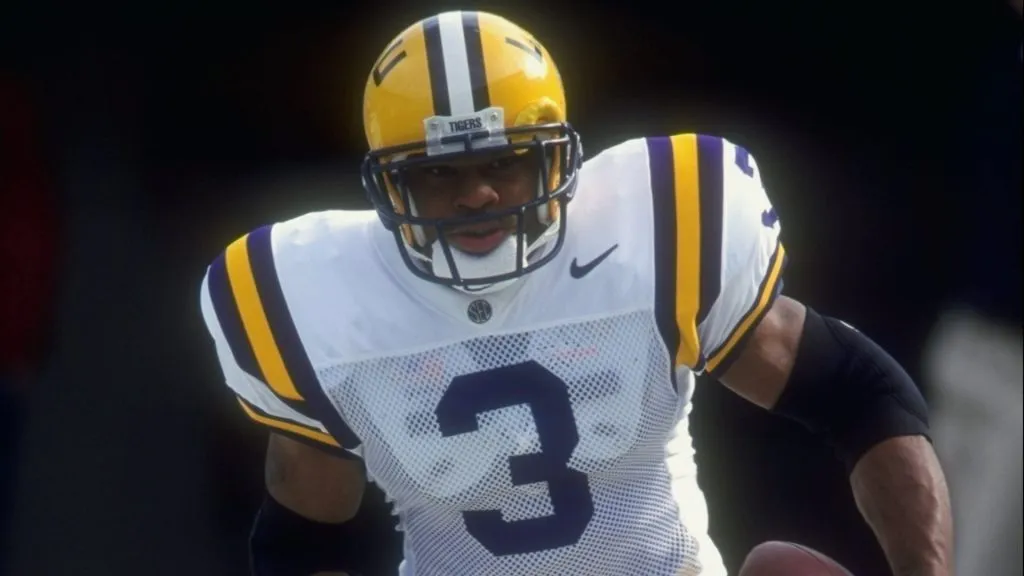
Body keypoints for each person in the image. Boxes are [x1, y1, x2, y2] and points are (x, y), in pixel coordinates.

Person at [199, 11, 953, 576]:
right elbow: (305, 535)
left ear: (558, 158)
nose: (479, 195)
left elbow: (859, 396)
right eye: (438, 173)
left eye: (507, 161)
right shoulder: (315, 299)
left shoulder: (661, 228)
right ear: (388, 184)